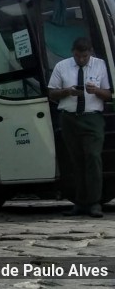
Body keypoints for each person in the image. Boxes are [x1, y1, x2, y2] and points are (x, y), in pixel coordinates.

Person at [48, 37, 111, 218]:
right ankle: (80, 202)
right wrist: (67, 91)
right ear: (72, 52)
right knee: (76, 161)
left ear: (90, 52)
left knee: (93, 158)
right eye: (77, 56)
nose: (81, 60)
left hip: (92, 118)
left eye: (84, 56)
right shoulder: (62, 66)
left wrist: (96, 91)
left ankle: (94, 202)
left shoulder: (100, 65)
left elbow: (108, 94)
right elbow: (51, 92)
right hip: (69, 118)